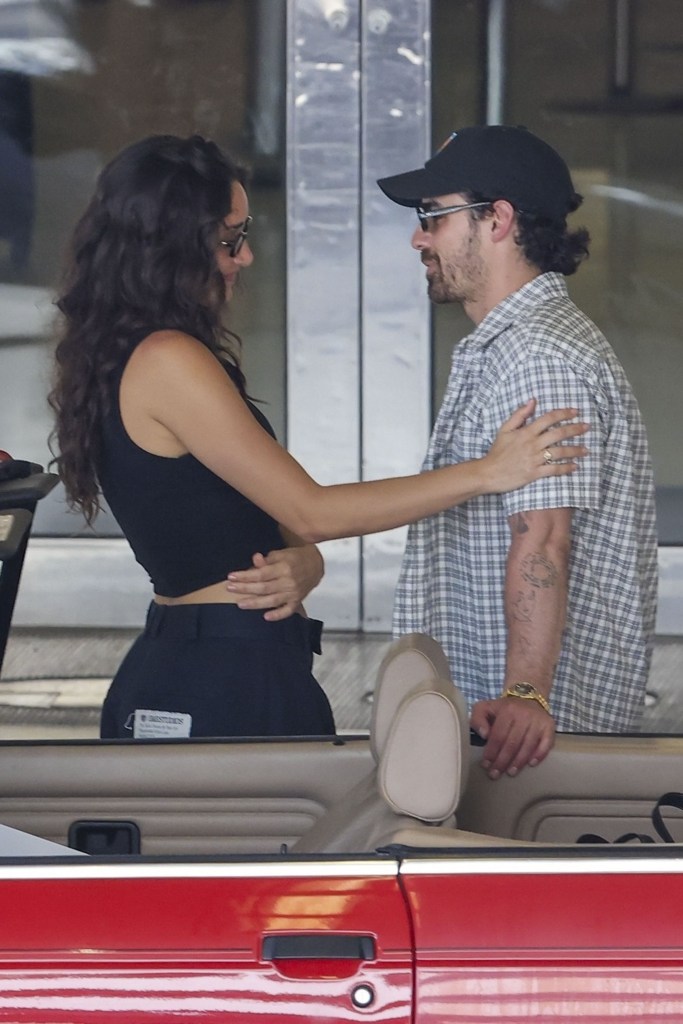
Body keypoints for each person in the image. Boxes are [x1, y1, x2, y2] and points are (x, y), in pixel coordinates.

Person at [48, 132, 588, 741]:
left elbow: (254, 518)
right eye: (229, 239)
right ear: (170, 245)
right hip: (216, 675)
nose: (246, 257)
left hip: (226, 658)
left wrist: (305, 562)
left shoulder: (144, 353)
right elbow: (313, 512)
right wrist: (489, 471)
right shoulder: (166, 360)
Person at [376, 124, 658, 779]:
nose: (419, 238)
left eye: (433, 216)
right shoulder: (517, 343)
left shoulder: (538, 357)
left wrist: (525, 692)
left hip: (524, 736)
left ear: (497, 220)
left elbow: (544, 539)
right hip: (512, 724)